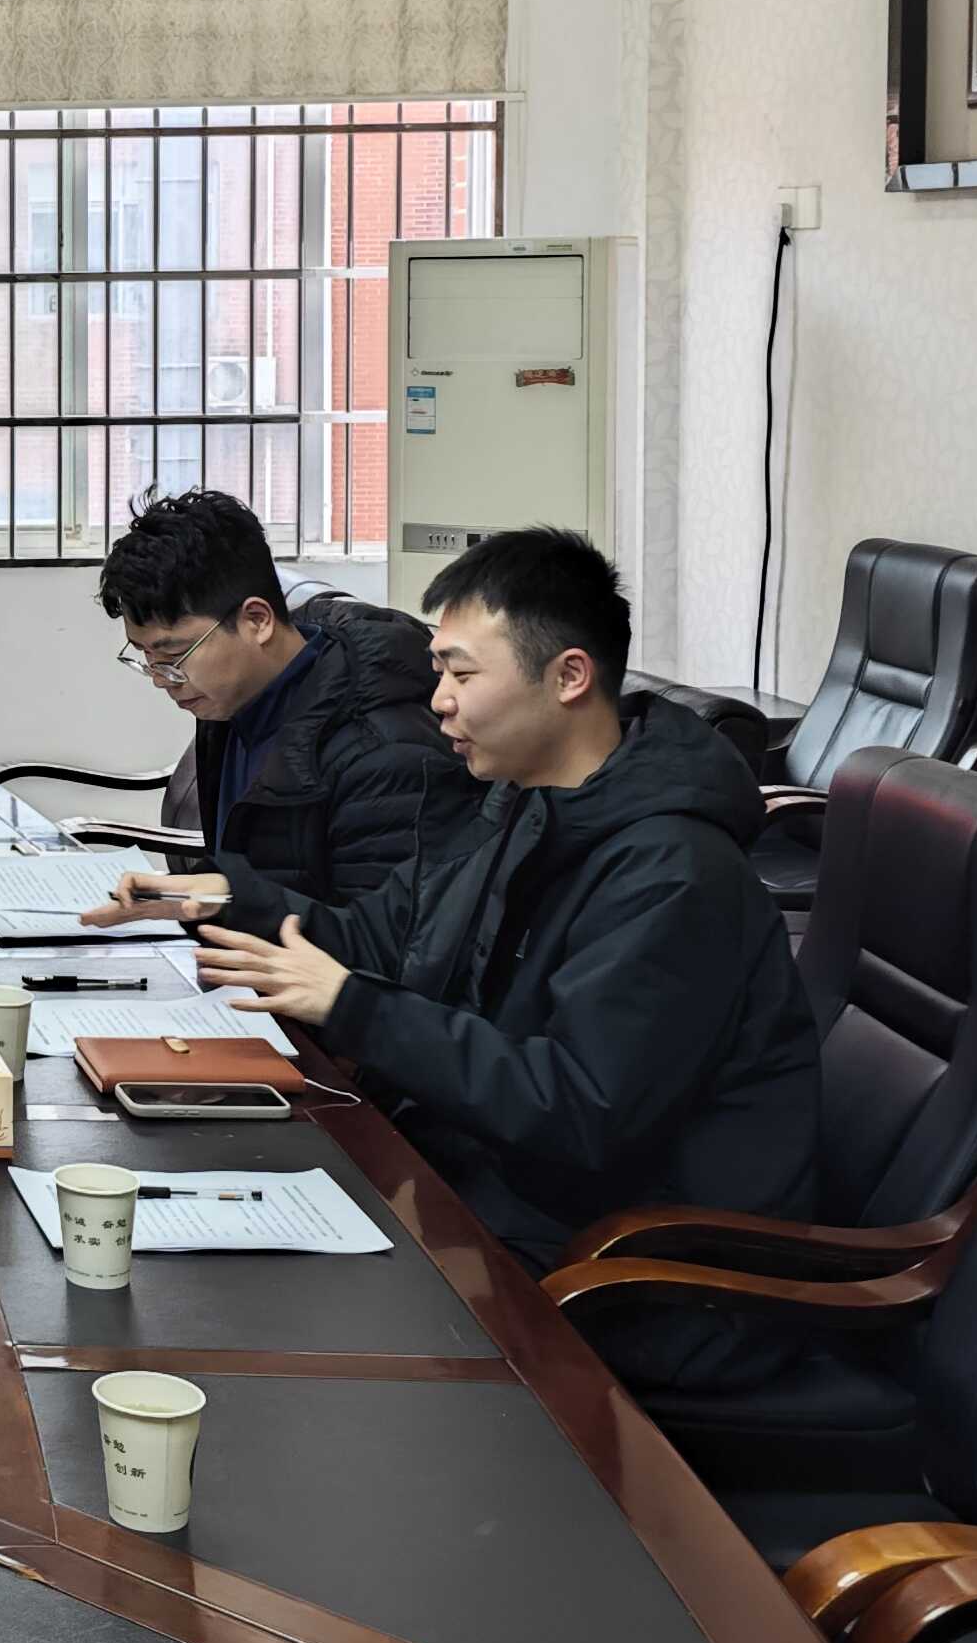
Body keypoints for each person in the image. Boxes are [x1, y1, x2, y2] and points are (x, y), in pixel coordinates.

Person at [189, 528, 816, 1390]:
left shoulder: (674, 874)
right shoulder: (523, 804)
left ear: (568, 676)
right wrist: (227, 897)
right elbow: (387, 936)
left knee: (268, 1329)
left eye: (461, 674)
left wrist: (350, 1005)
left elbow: (576, 1109)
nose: (439, 701)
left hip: (636, 1283)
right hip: (497, 1204)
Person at [76, 490, 483, 937]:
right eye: (146, 657)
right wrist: (202, 896)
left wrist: (227, 901)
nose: (161, 678)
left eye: (173, 655)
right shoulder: (232, 701)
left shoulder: (385, 753)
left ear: (257, 620)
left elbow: (385, 944)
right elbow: (257, 873)